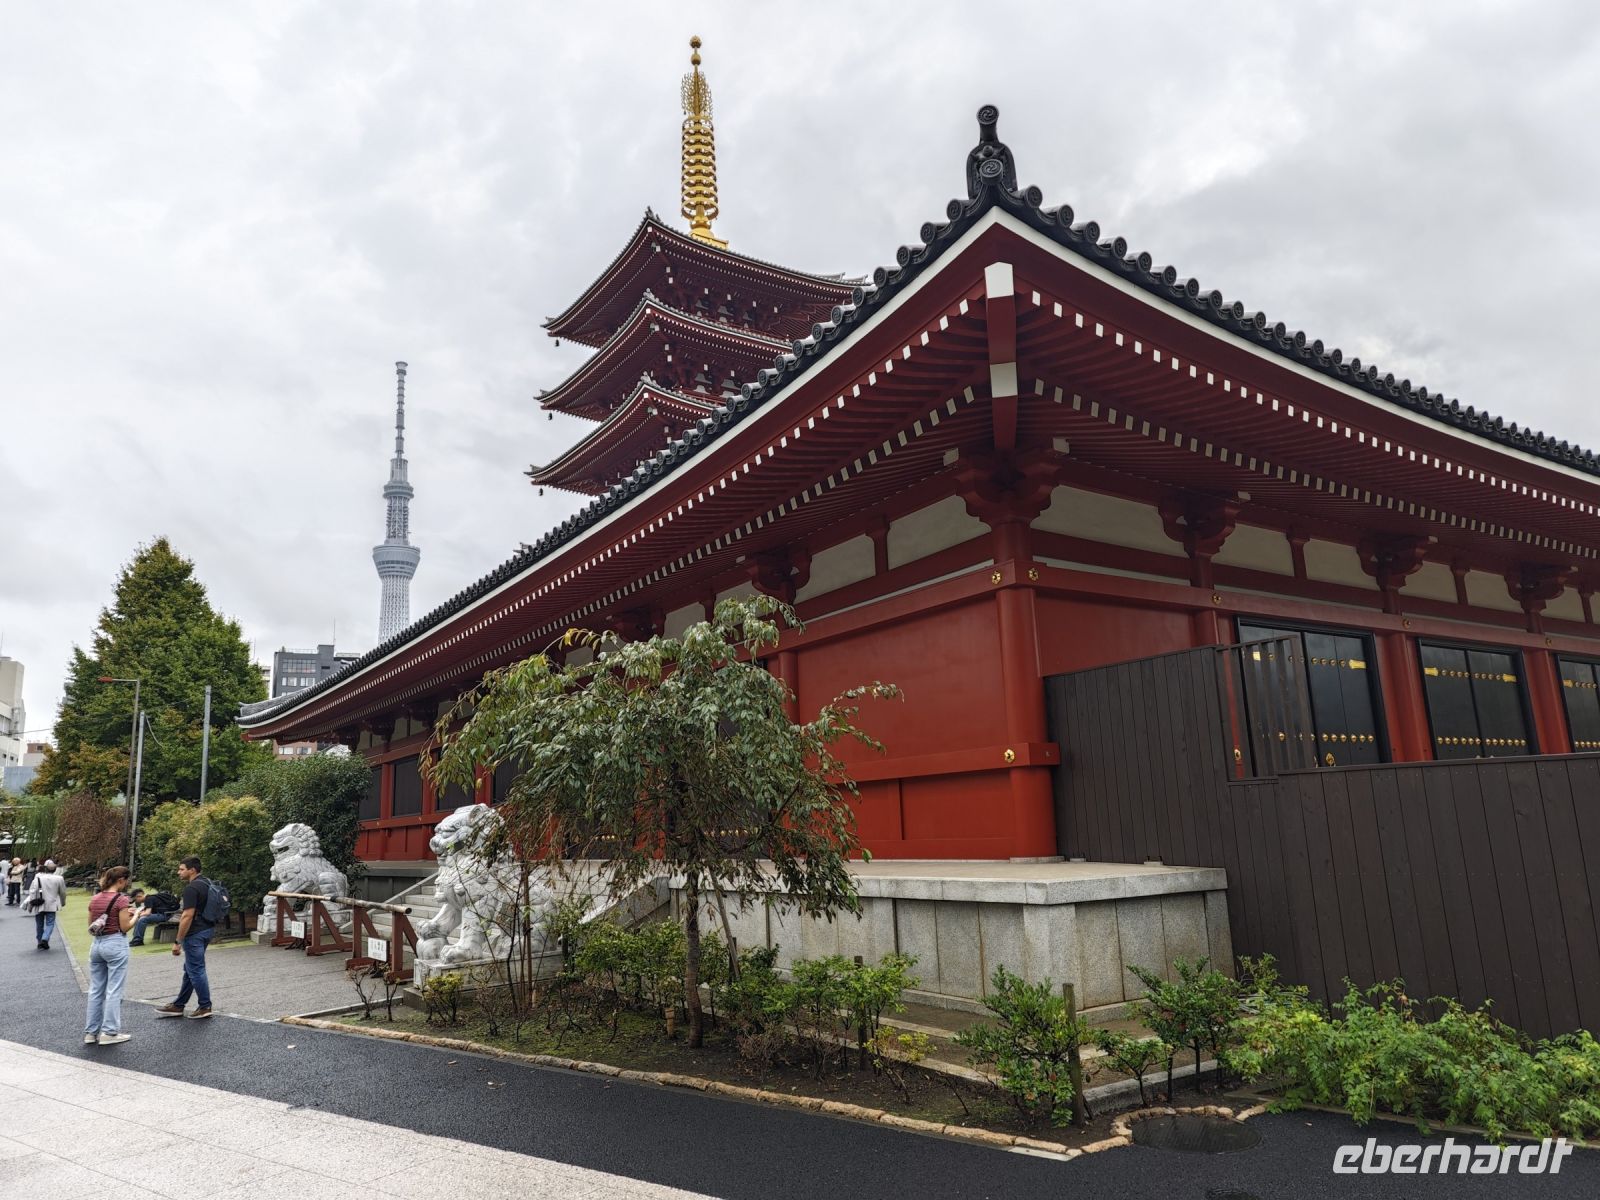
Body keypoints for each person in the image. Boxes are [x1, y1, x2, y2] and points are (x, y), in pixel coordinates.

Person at [153, 857, 215, 1019]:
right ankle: (179, 1005)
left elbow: (187, 915)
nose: (178, 872)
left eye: (181, 869)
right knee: (191, 969)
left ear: (192, 870)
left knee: (196, 969)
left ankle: (205, 1006)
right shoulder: (207, 883)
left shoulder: (191, 889)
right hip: (207, 929)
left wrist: (177, 941)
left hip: (194, 933)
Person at [83, 866, 135, 1046]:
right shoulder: (121, 900)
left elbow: (91, 925)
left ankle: (91, 1032)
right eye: (126, 880)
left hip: (97, 944)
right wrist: (136, 916)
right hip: (115, 944)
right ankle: (109, 1032)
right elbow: (125, 927)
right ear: (121, 880)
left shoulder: (95, 898)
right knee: (114, 990)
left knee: (96, 990)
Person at [24, 860, 68, 949]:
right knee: (50, 923)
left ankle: (40, 941)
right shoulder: (59, 879)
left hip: (39, 903)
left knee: (39, 924)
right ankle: (45, 939)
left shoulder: (38, 879)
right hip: (52, 903)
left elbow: (32, 891)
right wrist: (63, 902)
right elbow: (62, 892)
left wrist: (31, 903)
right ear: (55, 870)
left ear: (45, 869)